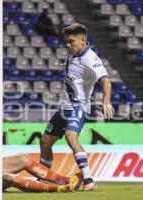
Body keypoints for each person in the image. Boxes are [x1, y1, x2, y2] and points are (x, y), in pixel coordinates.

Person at [39, 23, 114, 191]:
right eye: (67, 42)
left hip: (79, 106)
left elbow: (106, 80)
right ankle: (43, 178)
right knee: (45, 142)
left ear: (83, 41)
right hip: (64, 107)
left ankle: (88, 180)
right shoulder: (73, 55)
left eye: (71, 42)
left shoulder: (91, 58)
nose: (68, 45)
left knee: (70, 136)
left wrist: (106, 101)